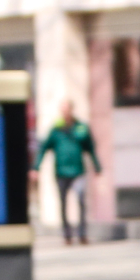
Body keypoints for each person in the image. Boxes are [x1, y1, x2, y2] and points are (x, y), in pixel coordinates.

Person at [35, 102, 102, 245]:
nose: (65, 113)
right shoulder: (55, 130)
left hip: (78, 171)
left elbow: (90, 148)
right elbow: (44, 149)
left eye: (67, 110)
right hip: (61, 172)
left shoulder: (81, 128)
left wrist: (97, 166)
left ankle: (82, 233)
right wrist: (36, 168)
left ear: (71, 110)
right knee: (63, 203)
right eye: (63, 110)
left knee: (81, 200)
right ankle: (67, 235)